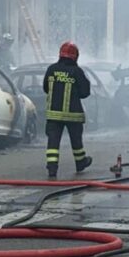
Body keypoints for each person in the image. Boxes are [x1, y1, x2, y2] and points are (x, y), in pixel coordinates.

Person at [43, 42, 92, 179]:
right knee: (76, 141)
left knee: (53, 143)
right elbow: (85, 92)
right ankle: (80, 162)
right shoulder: (77, 71)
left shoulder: (51, 69)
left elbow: (46, 88)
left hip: (53, 115)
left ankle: (52, 168)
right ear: (75, 56)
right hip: (73, 115)